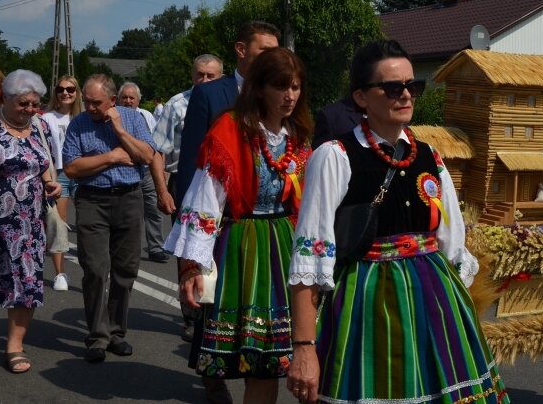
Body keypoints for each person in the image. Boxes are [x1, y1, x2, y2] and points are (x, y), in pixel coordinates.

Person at [287, 40, 509, 404]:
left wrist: (459, 317)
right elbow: (309, 260)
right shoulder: (335, 156)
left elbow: (453, 246)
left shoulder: (430, 157)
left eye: (412, 86)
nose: (406, 95)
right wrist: (304, 348)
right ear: (361, 97)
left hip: (434, 302)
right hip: (366, 304)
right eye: (392, 87)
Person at [164, 47, 312, 404]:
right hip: (244, 247)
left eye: (295, 87)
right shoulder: (231, 129)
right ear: (259, 88)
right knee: (258, 362)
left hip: (287, 245)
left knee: (290, 356)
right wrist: (193, 266)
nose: (290, 96)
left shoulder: (298, 135)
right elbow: (205, 200)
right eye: (280, 87)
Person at [63, 74, 156, 363]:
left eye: (96, 102)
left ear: (112, 101)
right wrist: (112, 157)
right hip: (93, 200)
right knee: (93, 267)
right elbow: (72, 167)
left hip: (129, 197)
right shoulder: (78, 124)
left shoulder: (133, 119)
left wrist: (120, 131)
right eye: (87, 101)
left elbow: (147, 156)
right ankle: (97, 336)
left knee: (125, 269)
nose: (90, 107)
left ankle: (116, 333)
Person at [152, 53, 224, 342]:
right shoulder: (177, 104)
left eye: (211, 76)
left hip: (222, 187)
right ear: (192, 75)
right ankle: (192, 315)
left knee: (221, 251)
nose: (204, 80)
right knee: (190, 252)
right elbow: (157, 150)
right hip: (187, 183)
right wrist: (162, 189)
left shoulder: (231, 101)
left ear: (221, 76)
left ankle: (218, 310)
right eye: (200, 75)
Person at [0, 69, 62, 374]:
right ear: (5, 99)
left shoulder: (40, 127)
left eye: (34, 103)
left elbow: (45, 164)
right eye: (23, 103)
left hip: (29, 225)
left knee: (26, 281)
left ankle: (14, 346)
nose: (30, 109)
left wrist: (52, 183)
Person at [176, 20, 280, 207]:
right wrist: (187, 213)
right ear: (241, 49)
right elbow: (192, 159)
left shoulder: (282, 96)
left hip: (269, 215)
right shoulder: (208, 94)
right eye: (265, 51)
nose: (273, 58)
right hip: (219, 211)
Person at [118, 81, 169, 263]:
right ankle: (125, 250)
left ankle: (155, 247)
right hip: (124, 172)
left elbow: (157, 146)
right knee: (127, 214)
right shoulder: (114, 116)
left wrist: (161, 171)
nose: (128, 101)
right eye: (124, 97)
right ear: (118, 99)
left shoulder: (147, 115)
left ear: (139, 100)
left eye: (132, 97)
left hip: (147, 172)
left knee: (154, 211)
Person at [41, 75, 83, 291]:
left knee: (88, 223)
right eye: (60, 89)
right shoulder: (47, 118)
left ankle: (92, 272)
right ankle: (60, 274)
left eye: (70, 89)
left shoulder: (83, 117)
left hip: (84, 171)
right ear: (55, 93)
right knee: (60, 224)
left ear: (77, 93)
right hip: (59, 172)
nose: (65, 93)